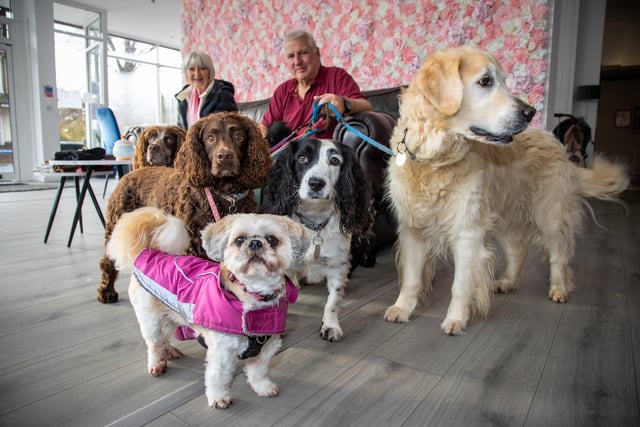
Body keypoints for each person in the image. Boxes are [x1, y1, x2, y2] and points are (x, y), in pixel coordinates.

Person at [261, 30, 372, 139]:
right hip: (289, 154)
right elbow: (264, 127)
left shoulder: (336, 76)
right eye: (291, 56)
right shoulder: (283, 91)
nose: (297, 61)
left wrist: (344, 103)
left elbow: (366, 106)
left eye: (303, 53)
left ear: (317, 53)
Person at [175, 51, 238, 129]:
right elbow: (181, 127)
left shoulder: (222, 93)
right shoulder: (183, 96)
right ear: (186, 73)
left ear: (210, 71)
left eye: (202, 68)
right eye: (191, 69)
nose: (197, 74)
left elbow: (228, 128)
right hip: (188, 140)